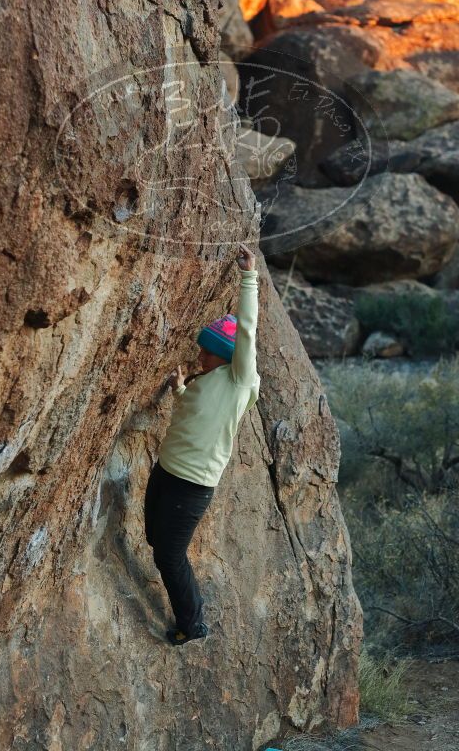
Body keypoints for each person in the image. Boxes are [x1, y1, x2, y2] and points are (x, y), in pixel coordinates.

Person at [144, 242, 260, 645]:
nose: (200, 354)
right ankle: (188, 608)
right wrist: (178, 390)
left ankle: (192, 625)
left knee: (168, 555)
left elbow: (246, 330)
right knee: (155, 539)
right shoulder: (205, 382)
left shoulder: (237, 380)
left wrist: (250, 277)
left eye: (207, 351)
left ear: (226, 357)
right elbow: (196, 414)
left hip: (192, 485)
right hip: (166, 471)